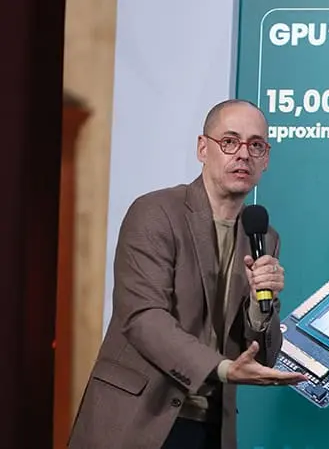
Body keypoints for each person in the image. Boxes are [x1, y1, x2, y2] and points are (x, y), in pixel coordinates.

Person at [68, 99, 307, 449]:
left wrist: (261, 306)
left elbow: (263, 356)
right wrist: (223, 369)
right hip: (137, 417)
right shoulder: (156, 212)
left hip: (211, 426)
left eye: (256, 145)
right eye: (230, 141)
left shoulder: (264, 236)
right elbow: (143, 318)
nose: (243, 154)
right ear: (202, 148)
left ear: (266, 159)